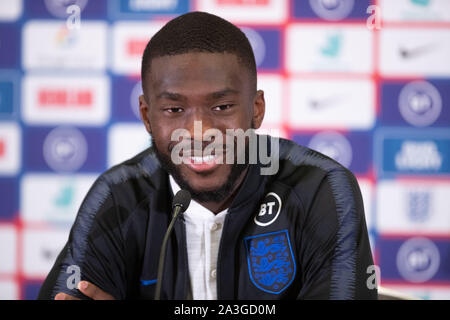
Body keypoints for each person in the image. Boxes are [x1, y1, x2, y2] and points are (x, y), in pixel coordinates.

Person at [38, 11, 377, 300]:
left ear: (256, 110)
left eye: (222, 107)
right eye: (174, 109)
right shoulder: (117, 197)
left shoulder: (320, 189)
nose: (200, 131)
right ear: (146, 116)